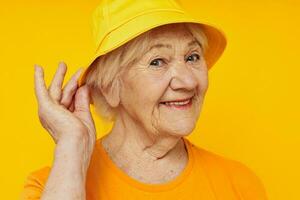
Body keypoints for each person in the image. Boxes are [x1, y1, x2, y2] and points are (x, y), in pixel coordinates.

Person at [21, 0, 268, 199]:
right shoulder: (50, 186)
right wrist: (71, 147)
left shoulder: (239, 185)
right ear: (110, 88)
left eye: (192, 57)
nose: (188, 82)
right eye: (157, 61)